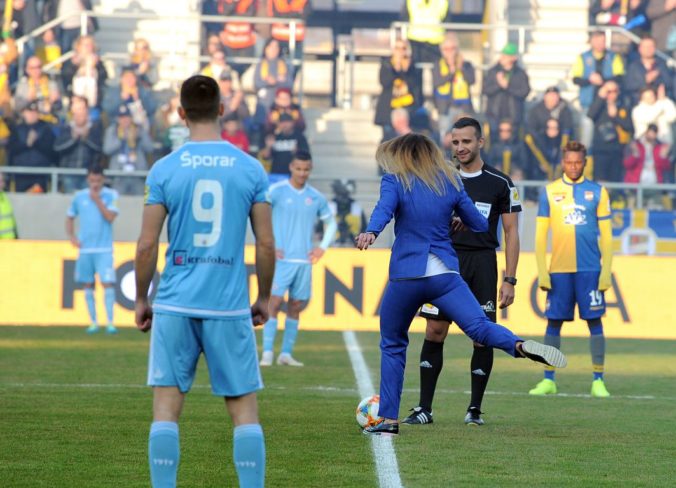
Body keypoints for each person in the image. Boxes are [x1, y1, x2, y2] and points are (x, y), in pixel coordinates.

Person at [355, 133, 567, 436]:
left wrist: (371, 233)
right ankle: (518, 345)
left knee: (393, 344)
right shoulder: (451, 182)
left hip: (407, 274)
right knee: (479, 326)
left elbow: (384, 211)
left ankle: (388, 419)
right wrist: (458, 219)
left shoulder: (395, 179)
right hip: (445, 274)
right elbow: (481, 224)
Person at [134, 75, 274, 488]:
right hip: (228, 305)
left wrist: (142, 298)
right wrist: (263, 297)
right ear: (222, 110)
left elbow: (146, 245)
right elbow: (265, 244)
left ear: (180, 113)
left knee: (165, 410)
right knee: (244, 412)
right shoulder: (250, 168)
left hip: (175, 303)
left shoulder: (165, 169)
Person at [401, 117, 522, 427]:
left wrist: (510, 278)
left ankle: (474, 410)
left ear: (480, 142)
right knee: (434, 330)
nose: (460, 147)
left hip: (482, 263)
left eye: (466, 141)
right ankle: (424, 408)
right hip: (444, 261)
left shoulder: (500, 183)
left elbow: (511, 233)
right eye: (455, 142)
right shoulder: (440, 178)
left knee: (481, 337)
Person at [530, 140, 612, 398]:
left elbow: (608, 237)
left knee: (595, 322)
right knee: (553, 323)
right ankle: (548, 379)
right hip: (560, 270)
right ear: (563, 163)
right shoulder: (550, 191)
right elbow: (541, 236)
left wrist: (606, 269)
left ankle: (598, 379)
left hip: (589, 270)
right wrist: (542, 270)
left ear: (585, 162)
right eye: (569, 162)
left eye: (578, 162)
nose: (573, 166)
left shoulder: (598, 192)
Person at [259, 151, 337, 367]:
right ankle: (266, 353)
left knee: (295, 305)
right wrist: (268, 244)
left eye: (306, 169)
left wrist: (321, 248)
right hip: (280, 261)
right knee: (273, 302)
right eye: (299, 168)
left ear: (310, 169)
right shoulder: (276, 191)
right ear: (291, 167)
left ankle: (285, 354)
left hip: (303, 261)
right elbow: (258, 216)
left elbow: (332, 224)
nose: (302, 173)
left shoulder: (316, 197)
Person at [66, 164, 118, 334]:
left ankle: (110, 322)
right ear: (88, 179)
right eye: (92, 180)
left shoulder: (111, 195)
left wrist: (97, 200)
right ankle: (93, 322)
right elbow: (70, 216)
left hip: (104, 249)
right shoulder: (79, 197)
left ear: (103, 179)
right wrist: (72, 237)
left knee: (107, 283)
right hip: (85, 249)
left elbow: (110, 217)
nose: (95, 183)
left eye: (98, 180)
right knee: (88, 285)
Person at [374, 39, 422, 140]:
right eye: (397, 48)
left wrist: (405, 71)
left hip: (407, 107)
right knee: (388, 139)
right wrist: (396, 68)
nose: (400, 51)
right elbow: (384, 83)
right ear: (393, 50)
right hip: (389, 108)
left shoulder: (413, 66)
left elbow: (415, 86)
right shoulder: (386, 64)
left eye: (403, 48)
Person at [103, 104, 155, 195]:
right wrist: (120, 139)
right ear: (118, 119)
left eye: (127, 117)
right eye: (122, 117)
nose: (125, 120)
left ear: (131, 118)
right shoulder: (112, 130)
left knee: (139, 203)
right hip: (118, 175)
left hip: (137, 174)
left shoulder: (139, 129)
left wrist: (139, 136)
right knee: (118, 203)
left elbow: (150, 148)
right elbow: (107, 150)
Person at [482, 43, 531, 137]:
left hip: (514, 117)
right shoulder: (493, 71)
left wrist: (508, 87)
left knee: (514, 142)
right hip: (494, 115)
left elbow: (524, 92)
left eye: (506, 56)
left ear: (513, 58)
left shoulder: (520, 73)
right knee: (494, 142)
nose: (503, 57)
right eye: (503, 55)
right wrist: (498, 85)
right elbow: (485, 90)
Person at [588, 80, 633, 182]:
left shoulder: (623, 106)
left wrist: (616, 116)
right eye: (608, 91)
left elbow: (629, 126)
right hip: (601, 150)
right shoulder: (599, 105)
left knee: (615, 181)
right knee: (599, 180)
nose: (612, 94)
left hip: (617, 149)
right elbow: (590, 115)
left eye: (614, 91)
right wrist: (600, 97)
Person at [432, 32, 476, 137]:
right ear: (442, 50)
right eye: (446, 49)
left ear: (457, 49)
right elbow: (437, 82)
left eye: (453, 48)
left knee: (466, 136)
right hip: (445, 108)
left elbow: (472, 80)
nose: (450, 52)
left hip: (463, 107)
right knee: (446, 138)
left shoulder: (467, 64)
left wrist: (461, 68)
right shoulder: (438, 65)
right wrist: (451, 72)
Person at [8, 100, 56, 192]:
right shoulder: (17, 129)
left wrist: (36, 142)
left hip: (40, 174)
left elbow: (51, 150)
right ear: (24, 113)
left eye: (34, 112)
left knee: (39, 203)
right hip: (21, 173)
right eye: (29, 112)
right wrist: (27, 144)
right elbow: (12, 149)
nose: (32, 115)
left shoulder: (46, 128)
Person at [0, 171, 18, 239]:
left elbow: (11, 221)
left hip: (10, 243)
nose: (2, 184)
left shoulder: (4, 197)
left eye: (2, 181)